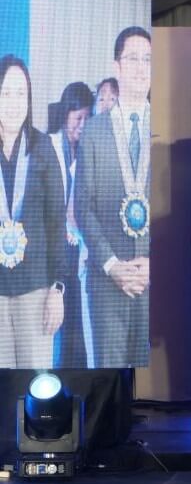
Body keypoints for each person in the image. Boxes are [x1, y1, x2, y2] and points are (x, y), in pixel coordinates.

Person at [76, 27, 152, 367]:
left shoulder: (166, 124)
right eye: (132, 58)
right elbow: (82, 207)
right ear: (117, 67)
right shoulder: (93, 129)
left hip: (155, 279)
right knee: (109, 381)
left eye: (147, 59)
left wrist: (155, 262)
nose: (140, 67)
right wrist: (113, 266)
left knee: (149, 388)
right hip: (108, 280)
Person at [0, 56, 66, 368]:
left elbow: (57, 224)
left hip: (36, 291)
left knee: (34, 387)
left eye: (21, 93)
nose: (14, 103)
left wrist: (58, 289)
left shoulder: (42, 147)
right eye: (6, 93)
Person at [48, 81, 94, 368]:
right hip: (55, 248)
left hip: (79, 248)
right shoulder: (50, 146)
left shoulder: (86, 152)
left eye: (87, 118)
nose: (82, 124)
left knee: (78, 322)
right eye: (78, 117)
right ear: (66, 114)